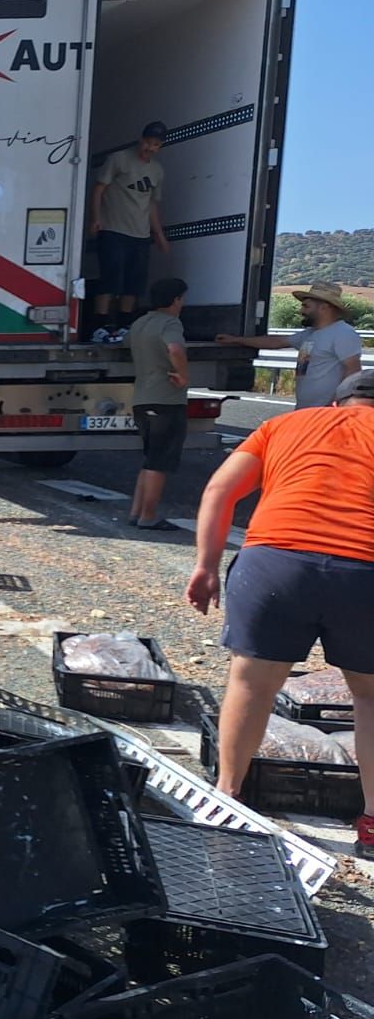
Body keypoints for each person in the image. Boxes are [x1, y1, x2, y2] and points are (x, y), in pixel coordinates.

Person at [185, 369, 374, 860]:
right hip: (367, 570)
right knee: (370, 698)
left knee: (250, 685)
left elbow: (219, 491)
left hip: (275, 562)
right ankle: (372, 823)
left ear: (335, 406)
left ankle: (226, 797)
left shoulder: (286, 425)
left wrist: (206, 567)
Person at [216, 281, 364, 409]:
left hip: (325, 412)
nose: (301, 311)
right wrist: (237, 340)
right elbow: (276, 342)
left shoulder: (343, 333)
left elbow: (353, 370)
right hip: (306, 409)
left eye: (306, 306)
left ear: (324, 307)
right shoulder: (309, 334)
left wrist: (336, 404)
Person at [89, 121, 171, 328]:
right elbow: (99, 189)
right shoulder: (119, 159)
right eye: (148, 142)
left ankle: (125, 325)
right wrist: (96, 218)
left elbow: (152, 204)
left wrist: (159, 235)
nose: (150, 148)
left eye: (156, 145)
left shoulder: (157, 171)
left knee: (134, 284)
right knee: (110, 278)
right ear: (141, 140)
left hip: (140, 235)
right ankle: (100, 325)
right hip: (113, 229)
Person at [127, 277, 189, 531]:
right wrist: (183, 375)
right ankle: (148, 515)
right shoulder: (170, 323)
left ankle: (136, 512)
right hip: (166, 399)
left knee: (150, 458)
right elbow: (175, 349)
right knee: (160, 461)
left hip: (142, 398)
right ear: (176, 300)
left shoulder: (140, 323)